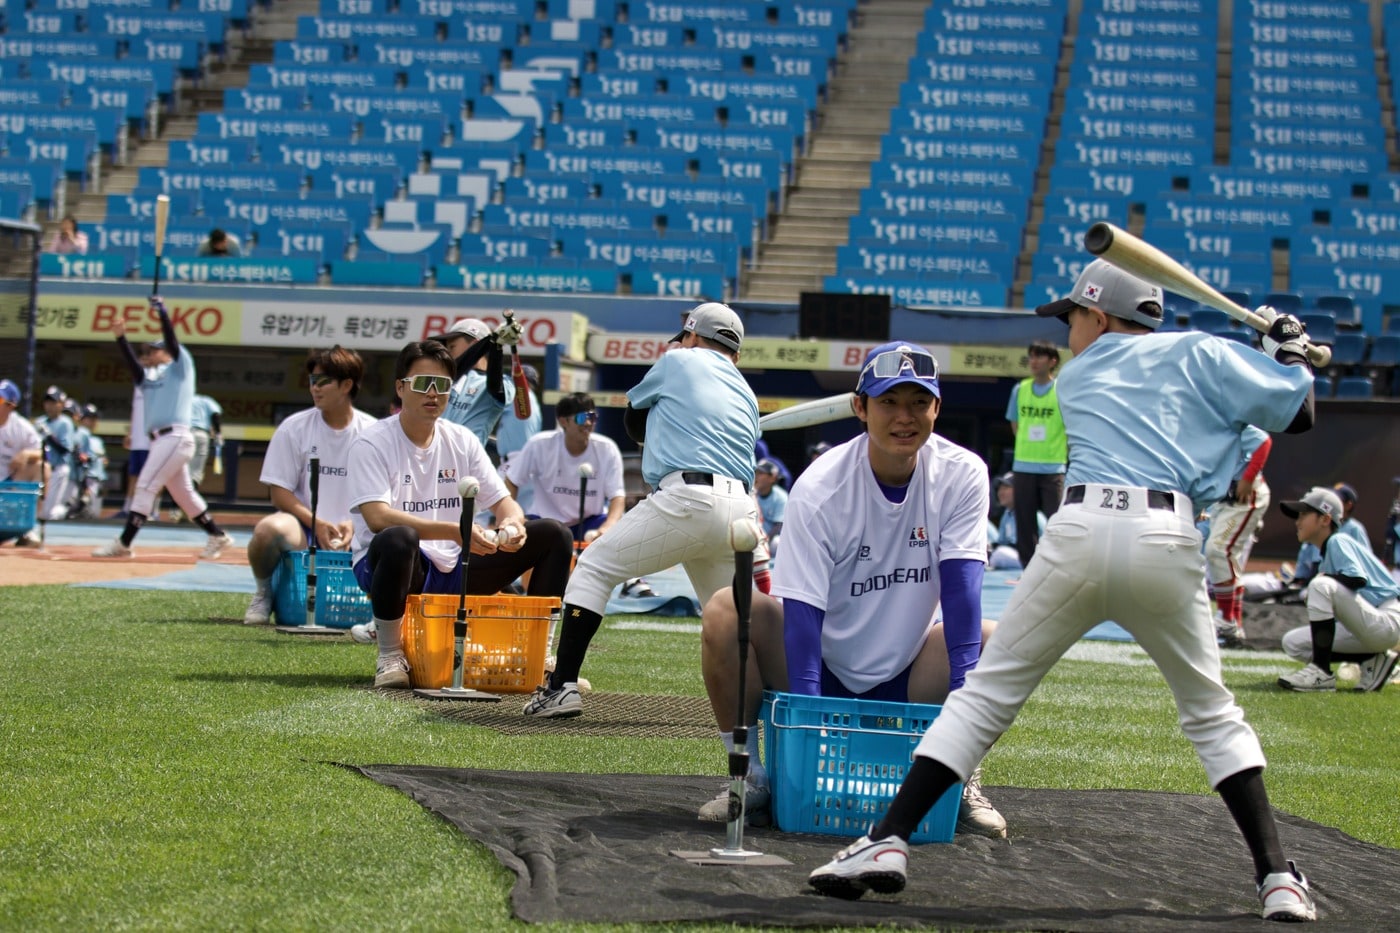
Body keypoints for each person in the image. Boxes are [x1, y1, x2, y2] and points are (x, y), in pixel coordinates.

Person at [808, 260, 1319, 923]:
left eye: (1074, 318)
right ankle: (1277, 876)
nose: (1068, 333)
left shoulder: (1080, 375)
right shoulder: (1203, 353)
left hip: (1079, 530)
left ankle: (887, 839)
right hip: (1165, 535)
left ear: (1100, 318)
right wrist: (1287, 353)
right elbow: (1298, 413)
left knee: (985, 694)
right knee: (1211, 712)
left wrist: (1274, 357)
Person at [697, 341, 1005, 837]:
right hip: (819, 663)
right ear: (860, 407)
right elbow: (802, 616)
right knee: (725, 609)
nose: (904, 417)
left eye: (918, 402)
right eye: (888, 402)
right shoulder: (821, 486)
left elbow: (962, 595)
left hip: (909, 671)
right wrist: (814, 734)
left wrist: (965, 721)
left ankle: (959, 778)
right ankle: (749, 776)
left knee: (998, 643)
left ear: (937, 409)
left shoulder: (963, 473)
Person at [524, 302, 760, 718]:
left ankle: (561, 687)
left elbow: (634, 421)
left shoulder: (678, 360)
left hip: (688, 498)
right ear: (736, 354)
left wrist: (662, 418)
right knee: (730, 618)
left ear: (691, 336)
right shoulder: (747, 391)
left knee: (593, 568)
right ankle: (761, 708)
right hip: (741, 511)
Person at [345, 340, 572, 687]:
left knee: (555, 535)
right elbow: (377, 518)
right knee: (398, 539)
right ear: (400, 388)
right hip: (399, 565)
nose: (433, 393)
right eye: (423, 383)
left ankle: (540, 657)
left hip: (458, 562)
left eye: (443, 385)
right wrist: (454, 531)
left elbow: (503, 500)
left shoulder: (463, 439)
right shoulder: (371, 442)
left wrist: (512, 522)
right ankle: (390, 656)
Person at [243, 347, 378, 625]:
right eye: (312, 381)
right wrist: (316, 523)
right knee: (267, 530)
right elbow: (279, 493)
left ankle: (383, 611)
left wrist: (355, 524)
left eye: (323, 381)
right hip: (305, 529)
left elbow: (385, 495)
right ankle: (264, 592)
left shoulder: (374, 432)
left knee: (398, 535)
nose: (314, 388)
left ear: (346, 385)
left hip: (358, 530)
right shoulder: (293, 428)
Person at [92, 298, 235, 559]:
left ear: (168, 353)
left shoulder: (181, 367)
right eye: (149, 351)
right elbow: (135, 369)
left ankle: (124, 543)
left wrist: (163, 314)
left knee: (145, 486)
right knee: (183, 494)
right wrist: (121, 338)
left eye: (156, 350)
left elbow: (172, 341)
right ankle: (217, 535)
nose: (150, 354)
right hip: (162, 440)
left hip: (175, 436)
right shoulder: (150, 377)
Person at [1275, 487, 1400, 694]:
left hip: (1386, 620)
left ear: (1325, 519)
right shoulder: (1327, 553)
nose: (1297, 521)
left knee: (1320, 584)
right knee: (1293, 643)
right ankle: (1373, 659)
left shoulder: (1337, 540)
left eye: (1304, 514)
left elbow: (1357, 578)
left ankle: (1321, 672)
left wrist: (1323, 581)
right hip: (1369, 624)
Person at [503, 392, 625, 538]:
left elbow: (617, 496)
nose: (588, 423)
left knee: (618, 529)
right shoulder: (539, 445)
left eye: (592, 417)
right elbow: (511, 481)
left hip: (589, 523)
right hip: (546, 523)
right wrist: (511, 517)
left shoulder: (607, 449)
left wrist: (608, 527)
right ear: (563, 421)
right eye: (581, 418)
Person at [1206, 426, 1272, 647]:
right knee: (1226, 557)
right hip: (1223, 497)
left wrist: (1248, 478)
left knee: (1218, 550)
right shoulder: (1198, 423)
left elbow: (1263, 442)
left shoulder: (1225, 418)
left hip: (1243, 495)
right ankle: (1234, 624)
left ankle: (1226, 618)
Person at [1004, 339, 1066, 568]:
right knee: (1025, 523)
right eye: (1031, 356)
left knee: (1057, 522)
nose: (1033, 361)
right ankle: (1029, 570)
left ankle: (1058, 568)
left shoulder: (1062, 390)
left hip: (1053, 467)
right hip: (1024, 466)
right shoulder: (1020, 390)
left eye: (1039, 356)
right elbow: (1015, 424)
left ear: (1053, 361)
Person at [438, 316, 517, 449]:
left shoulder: (502, 382)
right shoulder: (449, 374)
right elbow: (461, 364)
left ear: (474, 344)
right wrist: (493, 339)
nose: (447, 353)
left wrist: (496, 345)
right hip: (432, 455)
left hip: (465, 458)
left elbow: (495, 387)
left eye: (452, 347)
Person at [1287, 482, 1372, 586]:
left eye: (1304, 515)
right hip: (1339, 584)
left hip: (1368, 592)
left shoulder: (1344, 535)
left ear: (1348, 505)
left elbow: (1361, 574)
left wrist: (1322, 579)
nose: (1297, 522)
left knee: (1318, 586)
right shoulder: (1321, 543)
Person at [0, 378, 44, 545]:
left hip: (9, 488)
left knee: (41, 467)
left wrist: (27, 453)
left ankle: (28, 529)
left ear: (11, 405)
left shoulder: (21, 427)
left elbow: (42, 452)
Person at [495, 362, 543, 511]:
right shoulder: (533, 401)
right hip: (528, 464)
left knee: (488, 511)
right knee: (522, 513)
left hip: (514, 462)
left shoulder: (519, 396)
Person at [987, 472, 1044, 571]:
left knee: (999, 553)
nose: (1000, 492)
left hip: (1038, 560)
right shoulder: (1007, 513)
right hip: (1018, 555)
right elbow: (1002, 542)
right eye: (1000, 488)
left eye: (1006, 488)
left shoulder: (1029, 512)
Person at [36, 386, 77, 521]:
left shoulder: (65, 423)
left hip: (57, 469)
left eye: (53, 402)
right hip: (40, 470)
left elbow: (65, 449)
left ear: (61, 404)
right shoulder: (40, 421)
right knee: (37, 510)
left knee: (48, 512)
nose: (50, 405)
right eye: (47, 402)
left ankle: (66, 510)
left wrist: (48, 436)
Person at [73, 404, 108, 520]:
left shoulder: (98, 440)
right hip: (85, 480)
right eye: (90, 418)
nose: (93, 422)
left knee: (95, 515)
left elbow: (103, 461)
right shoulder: (79, 435)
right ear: (82, 419)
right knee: (84, 515)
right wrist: (84, 486)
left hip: (98, 481)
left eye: (95, 419)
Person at [187, 394, 223, 488]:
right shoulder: (206, 400)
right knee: (195, 472)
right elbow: (215, 415)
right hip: (201, 434)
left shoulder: (184, 399)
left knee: (180, 471)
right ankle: (190, 492)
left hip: (184, 434)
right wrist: (218, 434)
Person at [752, 458, 786, 551]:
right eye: (756, 472)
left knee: (777, 542)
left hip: (770, 540)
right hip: (753, 536)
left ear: (772, 478)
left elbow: (779, 526)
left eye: (761, 473)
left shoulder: (781, 497)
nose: (756, 476)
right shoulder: (751, 493)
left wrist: (764, 542)